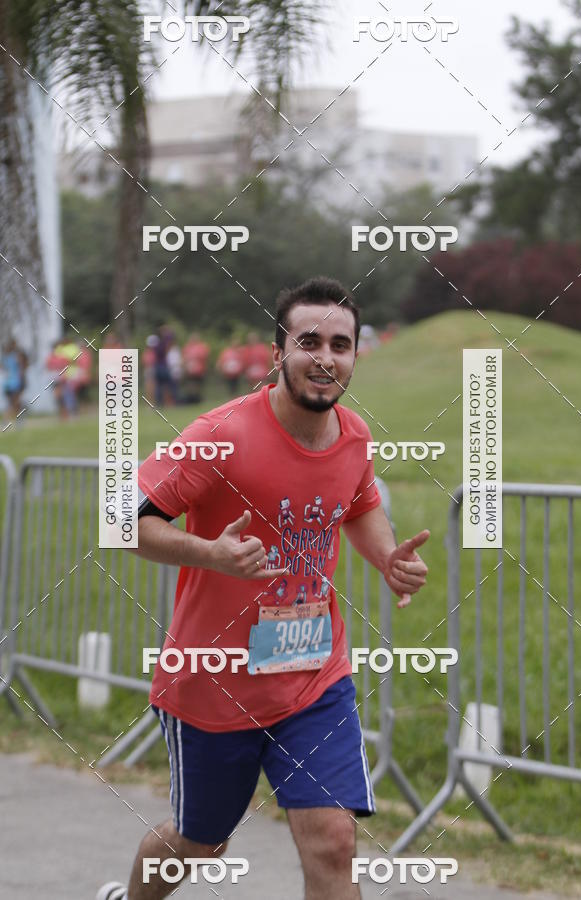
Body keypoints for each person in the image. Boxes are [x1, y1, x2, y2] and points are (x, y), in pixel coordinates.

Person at [97, 276, 429, 900]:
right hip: (213, 683)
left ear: (356, 355)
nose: (325, 357)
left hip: (314, 678)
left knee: (333, 842)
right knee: (201, 841)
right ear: (277, 353)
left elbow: (356, 504)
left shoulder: (354, 437)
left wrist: (388, 558)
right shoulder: (219, 434)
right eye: (308, 341)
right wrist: (211, 555)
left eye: (341, 343)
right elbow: (121, 522)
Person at [1, 338, 28, 424]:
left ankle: (10, 419)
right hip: (13, 381)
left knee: (14, 402)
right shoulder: (13, 357)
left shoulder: (8, 357)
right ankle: (16, 419)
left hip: (12, 382)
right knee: (14, 402)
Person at [181, 332, 210, 402]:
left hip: (199, 370)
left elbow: (204, 357)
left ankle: (198, 398)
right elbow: (184, 358)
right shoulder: (187, 347)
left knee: (198, 385)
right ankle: (192, 399)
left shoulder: (201, 347)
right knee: (191, 385)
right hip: (189, 371)